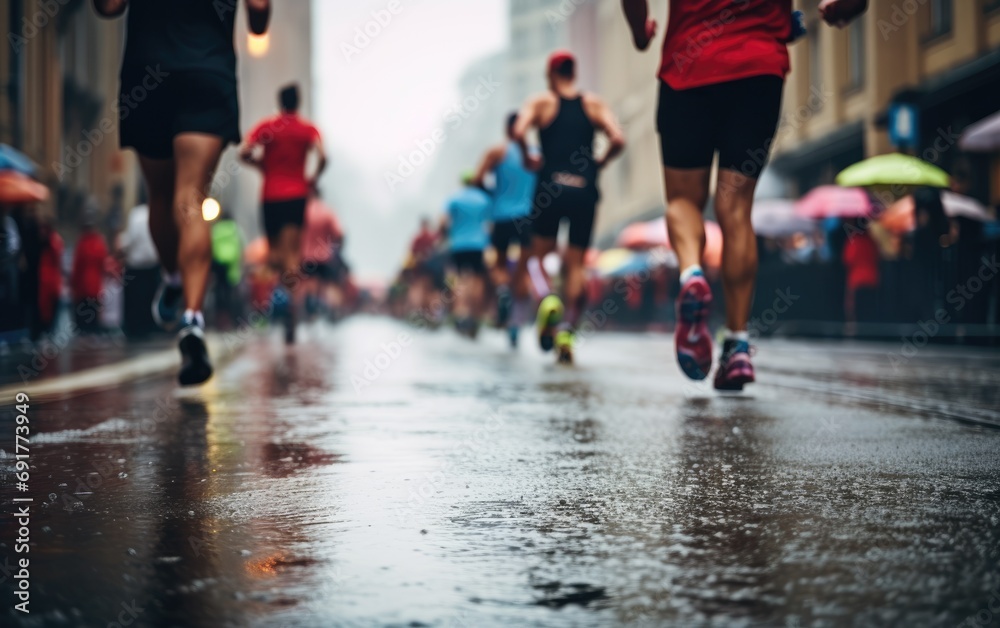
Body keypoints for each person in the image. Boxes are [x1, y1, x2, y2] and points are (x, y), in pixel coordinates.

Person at [622, 0, 867, 390]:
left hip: (688, 68)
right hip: (758, 71)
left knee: (684, 200)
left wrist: (639, 31)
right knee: (735, 209)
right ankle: (737, 346)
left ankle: (691, 274)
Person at [94, 0, 271, 386]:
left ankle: (173, 278)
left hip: (149, 69)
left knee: (159, 195)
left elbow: (107, 7)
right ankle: (192, 319)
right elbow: (258, 14)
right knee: (190, 197)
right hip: (207, 71)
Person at [512, 50, 626, 363]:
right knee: (575, 264)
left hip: (551, 187)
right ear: (573, 73)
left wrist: (527, 155)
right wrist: (600, 161)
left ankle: (548, 300)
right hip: (584, 189)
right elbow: (618, 138)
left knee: (537, 258)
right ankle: (566, 332)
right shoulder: (594, 104)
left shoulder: (541, 102)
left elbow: (519, 131)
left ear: (551, 75)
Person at [240, 83, 327, 345]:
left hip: (271, 197)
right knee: (293, 255)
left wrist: (262, 167)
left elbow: (243, 151)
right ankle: (291, 305)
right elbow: (323, 157)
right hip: (297, 196)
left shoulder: (268, 128)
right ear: (298, 103)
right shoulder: (308, 130)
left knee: (275, 253)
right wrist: (312, 179)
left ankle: (281, 296)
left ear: (279, 102)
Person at [473, 112, 538, 348]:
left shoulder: (497, 152)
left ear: (505, 129)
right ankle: (515, 326)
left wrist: (492, 193)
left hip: (501, 216)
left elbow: (477, 178)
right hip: (528, 216)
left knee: (499, 265)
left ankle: (501, 290)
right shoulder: (535, 155)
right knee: (522, 272)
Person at [443, 172, 492, 338]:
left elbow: (443, 221)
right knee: (477, 280)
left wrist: (449, 232)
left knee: (460, 278)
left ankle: (460, 312)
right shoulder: (484, 199)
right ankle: (474, 315)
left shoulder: (454, 198)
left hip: (458, 245)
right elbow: (490, 223)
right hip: (479, 245)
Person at [117, 202, 161, 337]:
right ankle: (148, 328)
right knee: (149, 299)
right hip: (152, 266)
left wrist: (121, 244)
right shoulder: (156, 213)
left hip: (136, 266)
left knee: (134, 301)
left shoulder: (136, 214)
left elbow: (131, 238)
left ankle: (134, 329)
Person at [300, 197, 344, 317]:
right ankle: (320, 312)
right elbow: (339, 234)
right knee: (323, 287)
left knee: (304, 286)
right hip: (323, 258)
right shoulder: (327, 211)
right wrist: (337, 249)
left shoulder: (301, 211)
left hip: (304, 256)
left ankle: (302, 311)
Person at [70, 219, 109, 334]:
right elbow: (103, 261)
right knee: (93, 309)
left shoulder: (82, 243)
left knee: (82, 311)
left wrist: (74, 282)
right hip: (95, 282)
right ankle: (93, 330)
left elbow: (77, 264)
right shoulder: (99, 242)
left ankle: (83, 330)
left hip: (82, 283)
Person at [210, 210, 244, 330]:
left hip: (219, 265)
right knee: (233, 293)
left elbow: (211, 245)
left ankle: (220, 320)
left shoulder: (216, 228)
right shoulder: (235, 229)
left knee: (219, 292)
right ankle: (234, 319)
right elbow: (241, 245)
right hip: (232, 266)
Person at [842, 220, 880, 328]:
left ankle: (857, 329)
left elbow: (847, 259)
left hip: (857, 280)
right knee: (869, 307)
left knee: (856, 308)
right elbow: (877, 257)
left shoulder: (853, 241)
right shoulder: (872, 242)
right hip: (872, 279)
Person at [37, 218, 64, 341]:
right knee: (45, 310)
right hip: (45, 281)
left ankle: (51, 332)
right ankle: (46, 331)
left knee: (52, 309)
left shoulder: (53, 241)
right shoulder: (44, 242)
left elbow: (58, 255)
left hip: (51, 282)